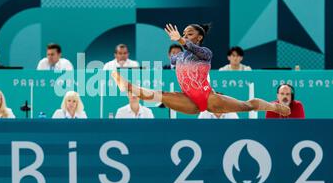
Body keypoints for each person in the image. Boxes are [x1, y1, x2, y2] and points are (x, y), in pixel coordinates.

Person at [111, 23, 290, 117]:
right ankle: (128, 87)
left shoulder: (204, 53)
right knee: (159, 95)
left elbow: (192, 49)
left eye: (189, 33)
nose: (185, 35)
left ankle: (274, 107)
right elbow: (171, 59)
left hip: (208, 97)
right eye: (184, 33)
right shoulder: (178, 57)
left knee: (247, 106)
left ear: (199, 37)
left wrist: (181, 40)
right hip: (188, 99)